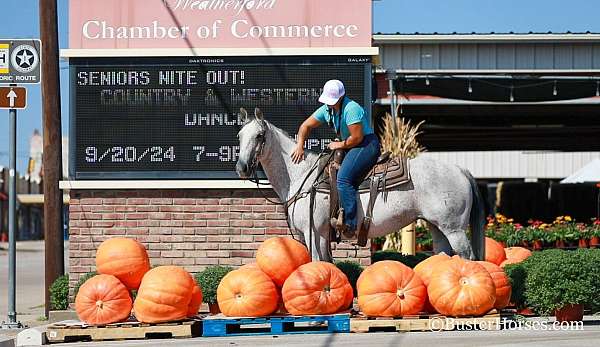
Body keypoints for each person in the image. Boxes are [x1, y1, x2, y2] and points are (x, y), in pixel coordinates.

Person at [291, 80, 380, 238]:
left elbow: (357, 138)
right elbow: (306, 126)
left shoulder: (352, 109)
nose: (329, 104)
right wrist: (300, 145)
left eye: (332, 101)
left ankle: (351, 224)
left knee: (344, 179)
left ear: (341, 97)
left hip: (365, 144)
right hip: (350, 144)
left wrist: (338, 144)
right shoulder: (326, 110)